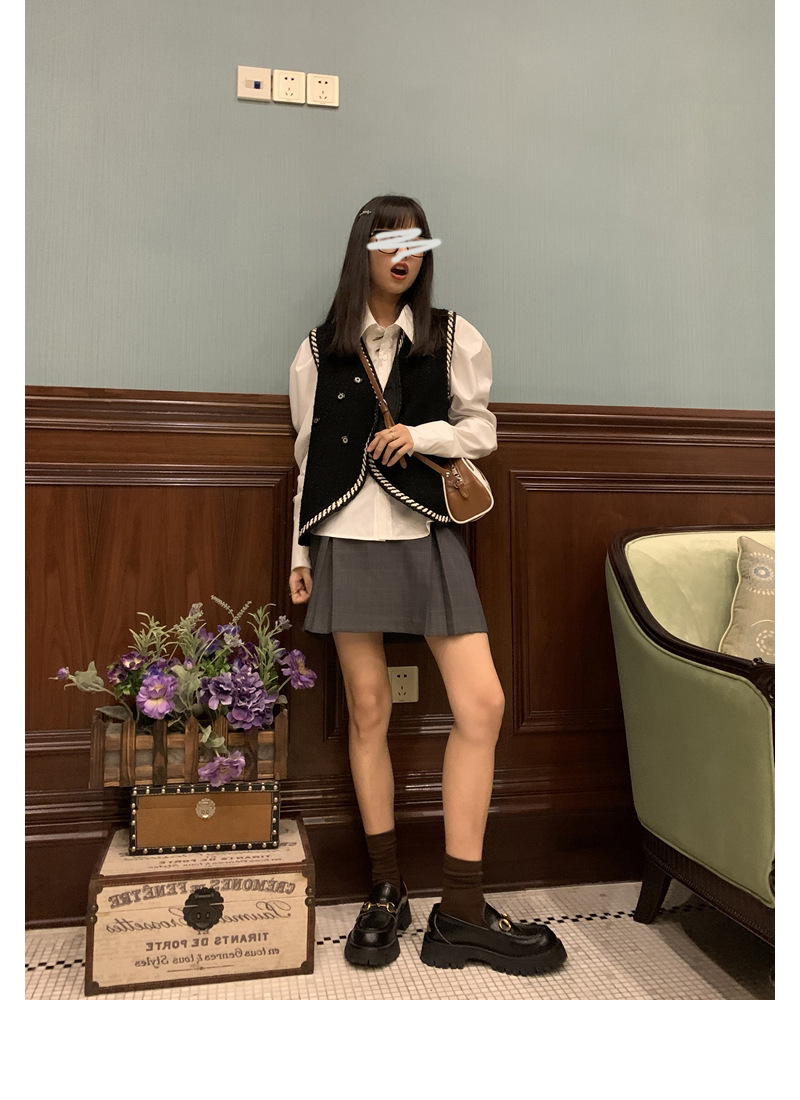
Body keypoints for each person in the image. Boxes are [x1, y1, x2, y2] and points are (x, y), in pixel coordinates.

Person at [288, 194, 566, 976]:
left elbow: (482, 428)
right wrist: (297, 555)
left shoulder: (452, 336)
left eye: (416, 243)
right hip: (344, 536)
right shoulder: (316, 351)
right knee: (367, 708)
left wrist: (422, 434)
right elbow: (308, 460)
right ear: (364, 252)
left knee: (483, 704)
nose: (404, 256)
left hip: (428, 530)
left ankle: (462, 908)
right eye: (389, 242)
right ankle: (386, 890)